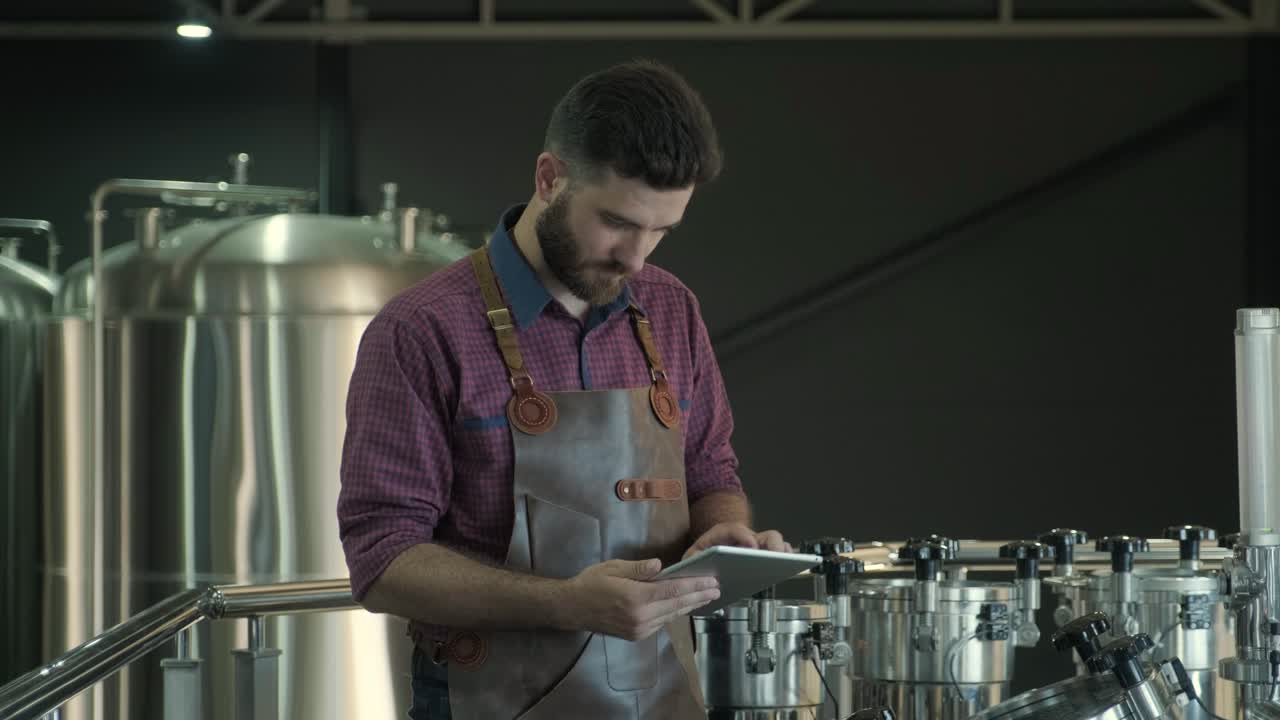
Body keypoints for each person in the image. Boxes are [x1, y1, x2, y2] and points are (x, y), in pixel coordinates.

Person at [336, 58, 789, 720]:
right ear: (550, 178)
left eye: (661, 231)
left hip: (657, 692)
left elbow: (710, 471)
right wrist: (562, 602)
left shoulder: (671, 310)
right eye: (617, 222)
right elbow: (383, 559)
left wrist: (723, 535)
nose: (637, 258)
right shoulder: (422, 330)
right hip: (485, 701)